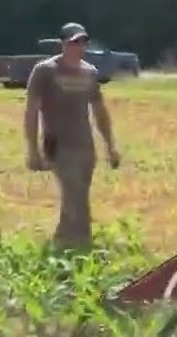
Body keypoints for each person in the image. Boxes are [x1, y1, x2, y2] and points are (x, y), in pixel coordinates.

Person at [23, 22, 121, 250]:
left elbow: (99, 110)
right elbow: (31, 111)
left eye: (83, 42)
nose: (79, 47)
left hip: (85, 145)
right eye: (74, 42)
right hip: (57, 144)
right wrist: (32, 149)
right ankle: (79, 244)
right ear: (63, 44)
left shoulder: (89, 72)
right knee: (74, 195)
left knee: (78, 196)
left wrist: (110, 145)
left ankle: (68, 243)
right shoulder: (45, 71)